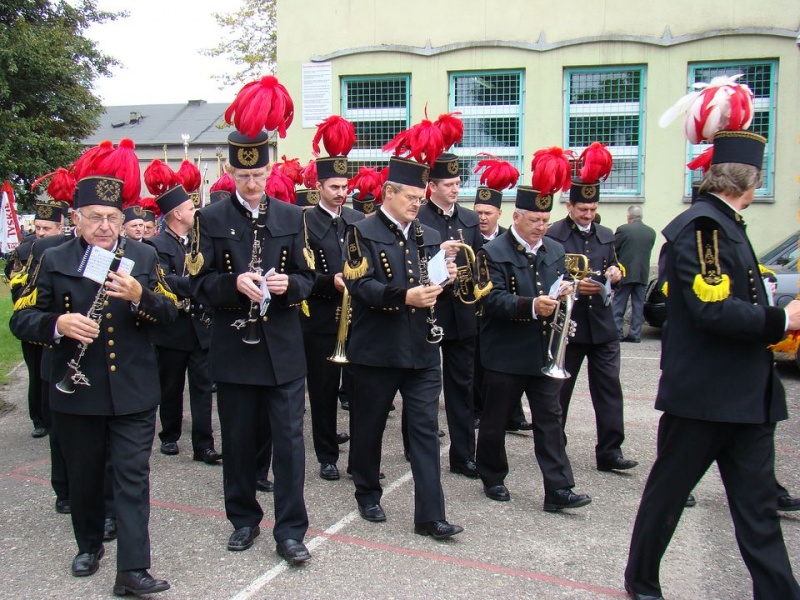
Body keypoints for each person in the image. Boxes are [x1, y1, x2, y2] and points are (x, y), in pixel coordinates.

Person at [624, 130, 800, 600]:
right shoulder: (703, 229)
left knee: (758, 508)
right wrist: (782, 318)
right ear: (751, 180)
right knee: (667, 496)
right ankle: (641, 580)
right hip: (704, 398)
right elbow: (712, 309)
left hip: (746, 398)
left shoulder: (724, 223)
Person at [10, 156, 178, 596]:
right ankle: (88, 545)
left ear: (124, 219)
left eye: (112, 218)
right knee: (84, 476)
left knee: (132, 477)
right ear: (76, 218)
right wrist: (57, 324)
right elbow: (21, 318)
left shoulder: (144, 255)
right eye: (95, 217)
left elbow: (169, 316)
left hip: (132, 389)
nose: (105, 226)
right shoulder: (51, 257)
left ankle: (133, 569)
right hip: (76, 388)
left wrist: (141, 296)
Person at [190, 129, 313, 563]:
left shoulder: (292, 215)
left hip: (282, 349)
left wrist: (288, 285)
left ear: (270, 170)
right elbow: (197, 283)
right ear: (229, 171)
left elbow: (307, 278)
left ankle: (291, 531)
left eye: (259, 174)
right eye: (243, 175)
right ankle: (243, 520)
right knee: (239, 441)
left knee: (290, 444)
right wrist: (231, 283)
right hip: (235, 347)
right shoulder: (209, 218)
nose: (252, 183)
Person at [344, 154, 463, 539]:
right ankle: (367, 492)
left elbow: (432, 287)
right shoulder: (360, 231)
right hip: (377, 350)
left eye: (420, 197)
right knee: (369, 426)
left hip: (422, 349)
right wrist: (404, 296)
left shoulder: (428, 234)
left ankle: (430, 515)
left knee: (425, 431)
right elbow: (360, 286)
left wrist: (446, 281)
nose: (417, 203)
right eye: (411, 197)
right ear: (389, 193)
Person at [476, 185, 591, 512]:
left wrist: (567, 291)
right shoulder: (492, 252)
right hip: (506, 354)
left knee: (551, 421)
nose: (541, 226)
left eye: (545, 220)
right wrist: (530, 305)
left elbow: (560, 283)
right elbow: (490, 299)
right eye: (535, 220)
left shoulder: (555, 249)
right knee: (495, 421)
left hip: (543, 353)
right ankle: (492, 476)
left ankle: (559, 489)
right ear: (516, 217)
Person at [545, 144, 637, 473]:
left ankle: (610, 451)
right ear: (569, 205)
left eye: (593, 209)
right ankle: (556, 446)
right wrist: (570, 287)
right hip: (570, 326)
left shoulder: (607, 234)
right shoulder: (553, 235)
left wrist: (616, 275)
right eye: (582, 209)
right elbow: (546, 277)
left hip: (602, 325)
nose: (588, 215)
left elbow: (615, 266)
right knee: (559, 393)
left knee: (609, 389)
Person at [143, 167, 221, 464]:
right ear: (176, 214)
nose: (195, 212)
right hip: (173, 328)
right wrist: (199, 284)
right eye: (190, 208)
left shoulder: (201, 240)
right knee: (171, 387)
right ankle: (170, 435)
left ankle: (204, 445)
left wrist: (200, 283)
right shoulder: (155, 246)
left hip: (200, 327)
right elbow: (164, 282)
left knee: (202, 389)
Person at [301, 120, 363, 482]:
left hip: (358, 320)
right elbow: (301, 274)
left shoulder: (357, 220)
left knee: (359, 392)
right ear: (319, 187)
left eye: (344, 186)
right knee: (323, 392)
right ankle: (327, 455)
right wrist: (331, 282)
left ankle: (359, 458)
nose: (341, 193)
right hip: (322, 320)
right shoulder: (305, 222)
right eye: (334, 187)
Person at [416, 151, 481, 478]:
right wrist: (439, 258)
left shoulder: (469, 219)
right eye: (449, 184)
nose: (455, 189)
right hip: (430, 310)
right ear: (432, 186)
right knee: (422, 388)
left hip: (462, 313)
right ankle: (416, 447)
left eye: (457, 183)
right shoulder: (419, 216)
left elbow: (479, 261)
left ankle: (463, 455)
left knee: (462, 387)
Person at [471, 170, 531, 432]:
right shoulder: (468, 237)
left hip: (504, 308)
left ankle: (514, 415)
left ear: (499, 214)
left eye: (488, 213)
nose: (482, 218)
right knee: (477, 364)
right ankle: (476, 410)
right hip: (475, 309)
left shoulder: (508, 238)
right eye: (478, 212)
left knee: (510, 366)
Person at [7, 197, 66, 438]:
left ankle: (55, 414)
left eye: (47, 228)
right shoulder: (25, 251)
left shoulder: (65, 251)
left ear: (60, 228)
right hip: (35, 320)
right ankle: (39, 418)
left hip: (59, 322)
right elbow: (16, 287)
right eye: (38, 227)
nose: (41, 233)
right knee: (36, 373)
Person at [613, 206, 656, 343]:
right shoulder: (651, 232)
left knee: (619, 303)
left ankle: (617, 332)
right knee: (638, 305)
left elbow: (614, 249)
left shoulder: (623, 230)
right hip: (642, 273)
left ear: (629, 217)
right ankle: (635, 334)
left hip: (626, 272)